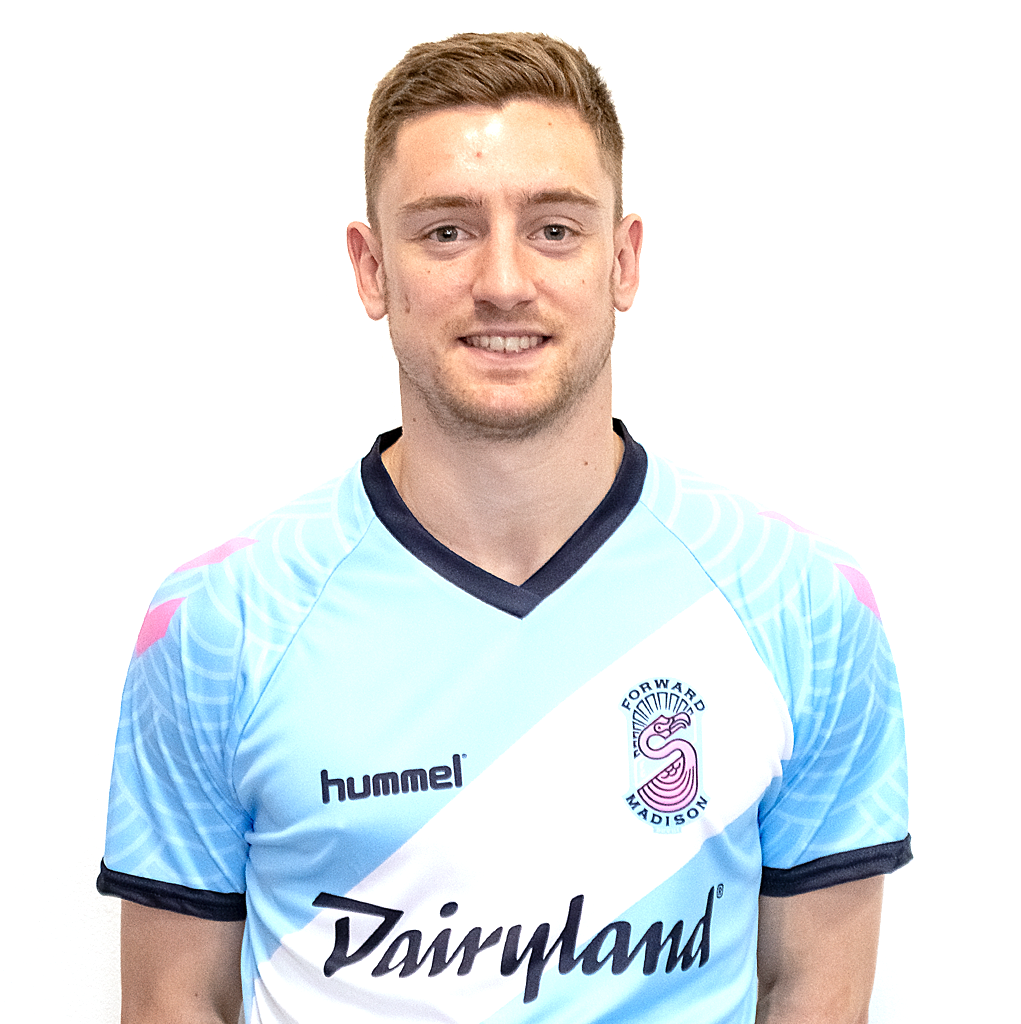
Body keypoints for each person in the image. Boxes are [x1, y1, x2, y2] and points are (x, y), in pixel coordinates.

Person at [98, 31, 911, 1024]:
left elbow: (815, 992)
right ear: (371, 268)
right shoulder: (219, 622)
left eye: (554, 229)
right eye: (446, 231)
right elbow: (174, 999)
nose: (503, 281)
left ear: (623, 260)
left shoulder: (801, 602)